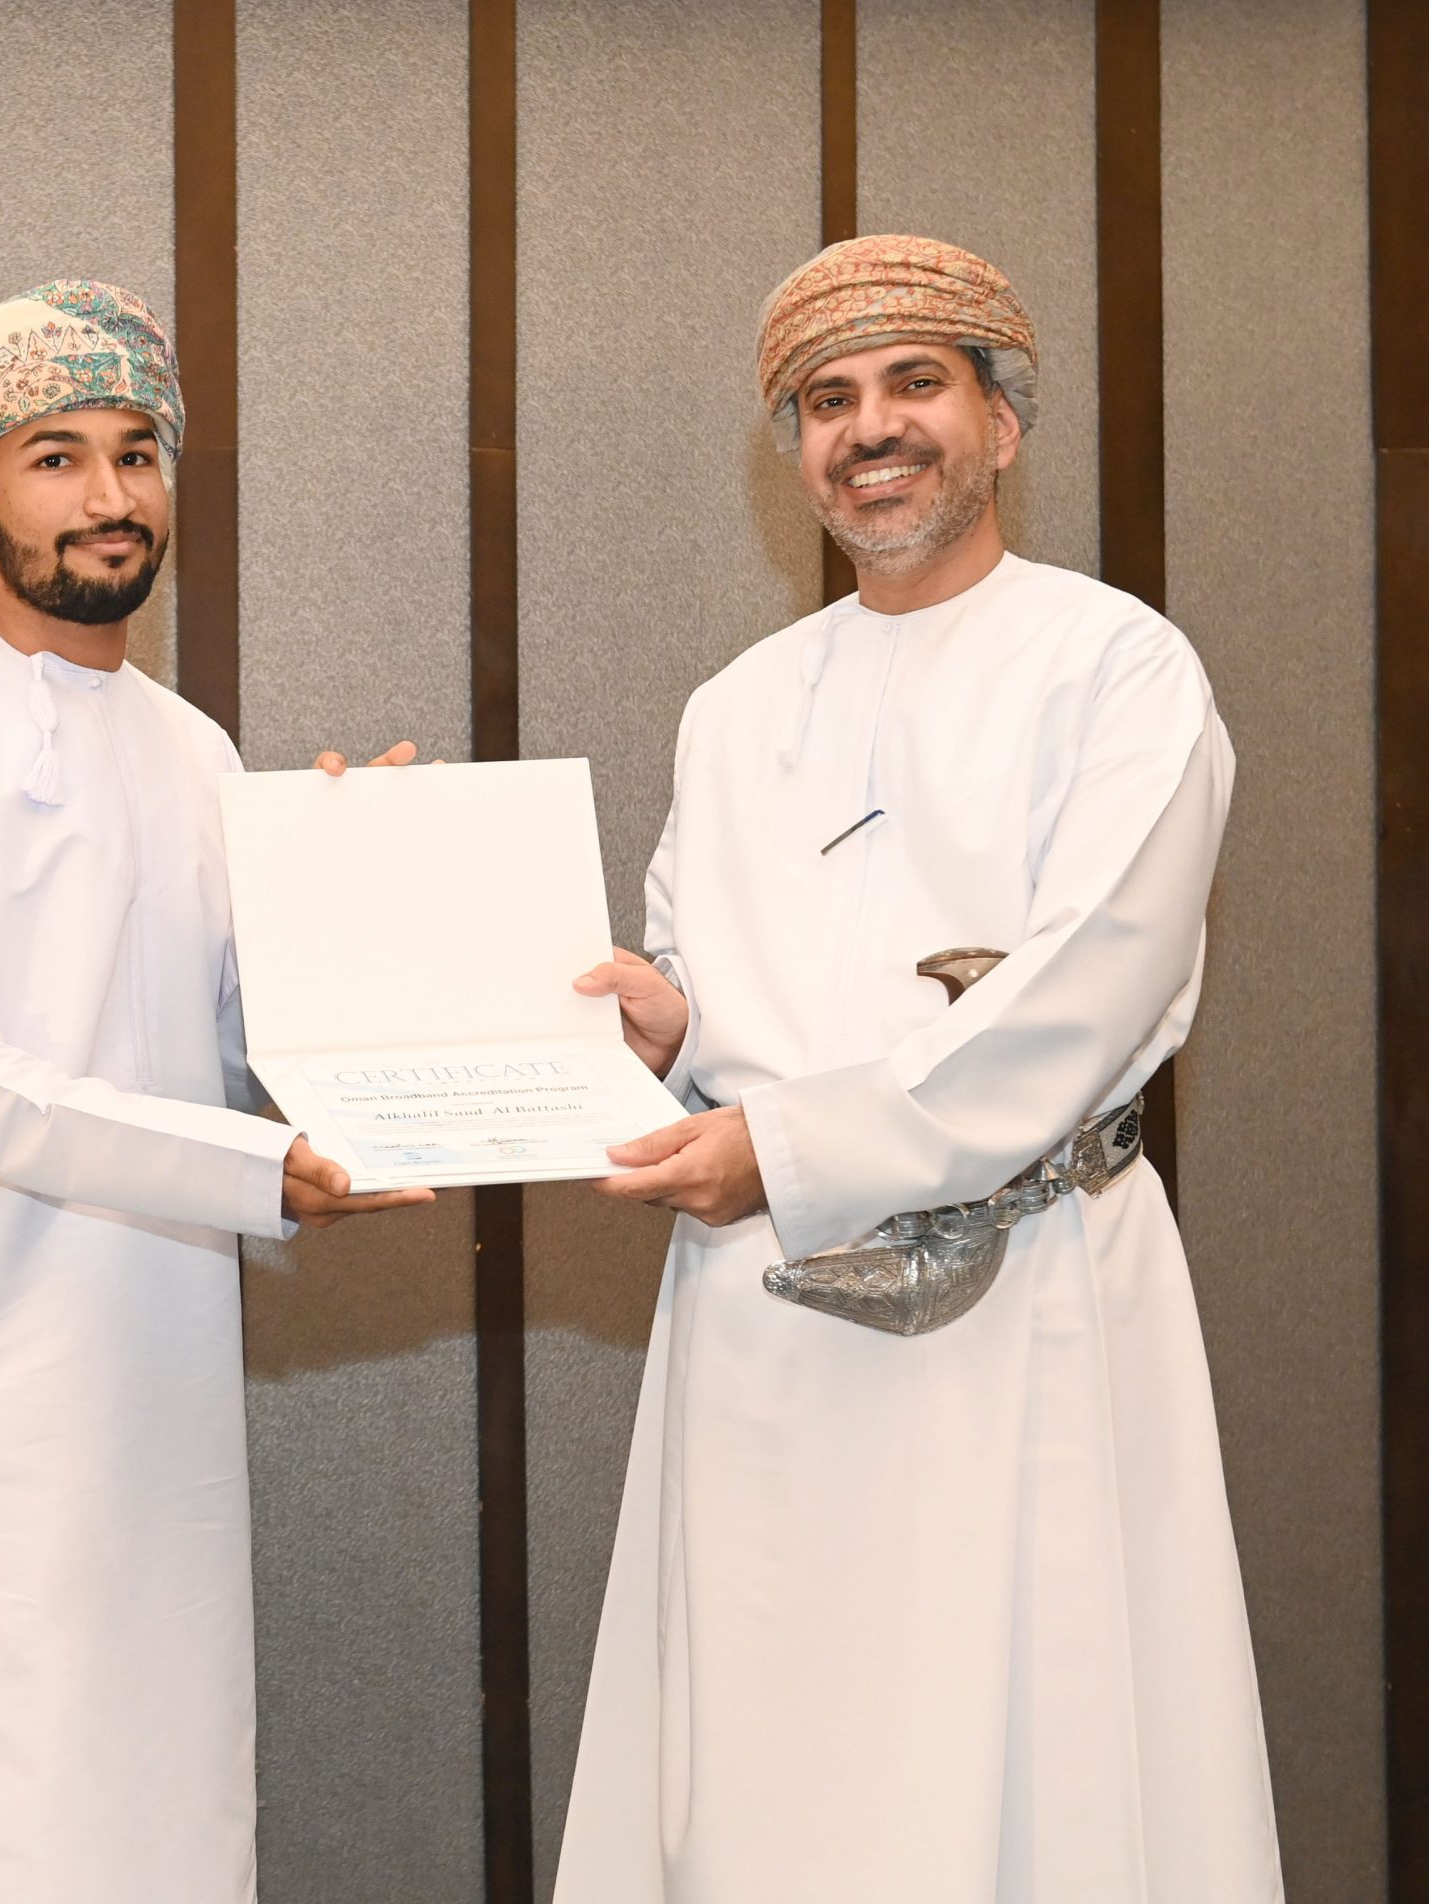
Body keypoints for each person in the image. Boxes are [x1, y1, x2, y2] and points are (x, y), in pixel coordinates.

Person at [544, 235, 1282, 1901]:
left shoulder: (1119, 669)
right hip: (760, 1321)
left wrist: (786, 1149)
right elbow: (707, 980)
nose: (868, 427)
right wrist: (667, 1032)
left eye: (913, 384)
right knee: (767, 1775)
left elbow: (1081, 1001)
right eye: (827, 400)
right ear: (794, 450)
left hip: (1028, 1304)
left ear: (1000, 423)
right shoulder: (735, 708)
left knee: (1025, 1761)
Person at [0, 279, 429, 1903]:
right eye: (55, 458)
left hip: (157, 1381)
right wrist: (250, 1169)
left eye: (137, 453)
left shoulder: (198, 751)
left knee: (150, 1804)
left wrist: (368, 894)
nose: (111, 495)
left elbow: (246, 1047)